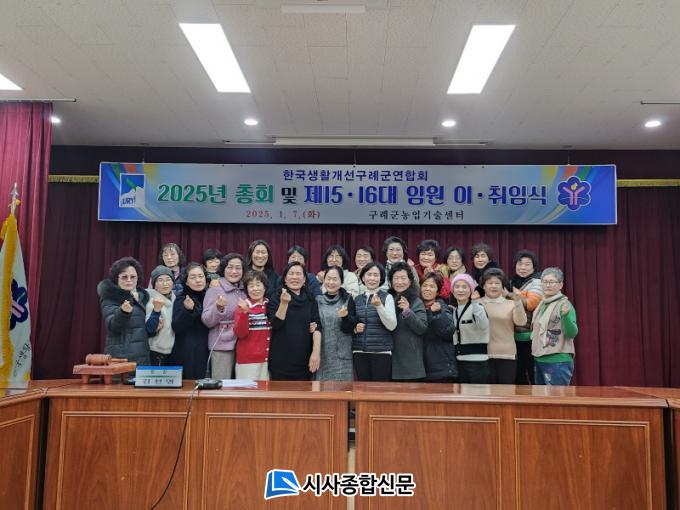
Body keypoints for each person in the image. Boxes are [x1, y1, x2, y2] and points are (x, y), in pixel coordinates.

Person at [267, 261, 322, 380]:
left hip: (304, 361)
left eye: (298, 274)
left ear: (304, 279)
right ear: (285, 279)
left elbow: (317, 326)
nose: (295, 277)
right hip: (280, 361)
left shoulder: (310, 298)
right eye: (291, 273)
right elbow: (276, 324)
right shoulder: (276, 296)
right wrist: (284, 303)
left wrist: (316, 353)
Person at [201, 253, 246, 380]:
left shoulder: (244, 290)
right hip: (222, 346)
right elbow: (206, 320)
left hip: (243, 345)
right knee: (222, 385)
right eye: (230, 267)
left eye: (238, 268)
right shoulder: (215, 289)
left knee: (242, 386)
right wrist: (218, 308)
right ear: (223, 269)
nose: (234, 271)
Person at [98, 257, 150, 365]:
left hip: (142, 356)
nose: (129, 280)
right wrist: (123, 312)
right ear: (116, 278)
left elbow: (139, 329)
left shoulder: (141, 297)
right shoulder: (110, 297)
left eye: (133, 277)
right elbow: (113, 326)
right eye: (124, 277)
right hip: (121, 358)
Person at [479, 268, 527, 384]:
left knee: (506, 391)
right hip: (482, 354)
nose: (493, 286)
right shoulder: (477, 304)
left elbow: (521, 322)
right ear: (483, 286)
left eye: (497, 283)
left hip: (507, 354)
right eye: (490, 283)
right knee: (486, 392)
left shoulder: (511, 303)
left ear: (503, 286)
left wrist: (518, 302)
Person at [531, 267, 578, 385]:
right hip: (539, 358)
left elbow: (572, 333)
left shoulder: (564, 304)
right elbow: (536, 332)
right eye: (545, 282)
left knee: (556, 396)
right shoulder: (541, 304)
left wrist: (566, 317)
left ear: (560, 285)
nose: (548, 285)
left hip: (558, 360)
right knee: (540, 396)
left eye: (552, 282)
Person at [352, 262, 397, 381]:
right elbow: (352, 323)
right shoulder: (357, 299)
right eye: (369, 274)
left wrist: (379, 306)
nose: (372, 278)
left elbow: (392, 325)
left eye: (376, 275)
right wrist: (355, 328)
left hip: (381, 352)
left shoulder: (387, 297)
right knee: (363, 389)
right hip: (359, 351)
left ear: (381, 278)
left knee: (379, 389)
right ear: (363, 277)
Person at [315, 266, 356, 381]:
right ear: (324, 280)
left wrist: (345, 317)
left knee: (342, 389)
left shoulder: (348, 299)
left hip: (342, 356)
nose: (331, 282)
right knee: (322, 389)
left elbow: (349, 329)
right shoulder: (317, 300)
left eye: (335, 279)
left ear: (341, 282)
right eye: (328, 279)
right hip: (322, 353)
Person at [389, 262, 428, 381]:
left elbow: (422, 328)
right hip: (388, 360)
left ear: (410, 281)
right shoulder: (386, 299)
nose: (399, 282)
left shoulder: (416, 301)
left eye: (403, 278)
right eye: (396, 278)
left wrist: (407, 311)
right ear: (391, 281)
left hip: (410, 363)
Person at [170, 263, 210, 379]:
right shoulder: (181, 299)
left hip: (207, 350)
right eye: (193, 277)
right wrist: (188, 310)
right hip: (187, 353)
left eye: (201, 276)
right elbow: (176, 326)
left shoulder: (210, 297)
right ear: (186, 282)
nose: (198, 280)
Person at [510, 249, 543, 384]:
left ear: (534, 267)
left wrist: (509, 295)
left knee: (533, 375)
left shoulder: (537, 282)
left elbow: (531, 303)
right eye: (520, 264)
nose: (522, 267)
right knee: (518, 377)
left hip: (530, 337)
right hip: (513, 337)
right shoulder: (512, 282)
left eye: (527, 264)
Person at [450, 273, 490, 383]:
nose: (460, 290)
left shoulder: (477, 307)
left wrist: (475, 303)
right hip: (459, 362)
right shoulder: (454, 310)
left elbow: (483, 326)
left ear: (471, 290)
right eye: (457, 287)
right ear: (452, 290)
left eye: (464, 287)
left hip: (477, 362)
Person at [233, 271, 271, 380]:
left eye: (258, 285)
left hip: (267, 360)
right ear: (246, 289)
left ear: (264, 287)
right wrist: (245, 313)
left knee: (265, 390)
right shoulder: (243, 306)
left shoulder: (269, 304)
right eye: (251, 286)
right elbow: (240, 333)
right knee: (247, 390)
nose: (255, 289)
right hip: (248, 361)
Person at [420, 272, 457, 382]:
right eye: (425, 285)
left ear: (437, 291)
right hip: (423, 369)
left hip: (442, 369)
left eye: (432, 286)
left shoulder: (443, 308)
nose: (427, 289)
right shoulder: (417, 309)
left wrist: (437, 314)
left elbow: (448, 331)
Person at [145, 265, 176, 366]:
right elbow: (149, 329)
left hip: (171, 351)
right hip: (155, 351)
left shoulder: (175, 300)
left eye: (168, 279)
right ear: (154, 284)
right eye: (160, 280)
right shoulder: (151, 301)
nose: (165, 284)